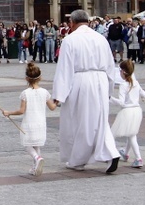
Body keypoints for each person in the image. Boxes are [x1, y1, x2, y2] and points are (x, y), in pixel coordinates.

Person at [52, 10, 121, 173]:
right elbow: (111, 66)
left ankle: (78, 160)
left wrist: (59, 95)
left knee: (80, 121)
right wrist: (109, 88)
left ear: (72, 23)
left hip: (80, 81)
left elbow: (64, 68)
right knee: (100, 120)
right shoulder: (100, 38)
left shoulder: (70, 40)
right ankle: (111, 152)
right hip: (101, 80)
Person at [2, 62, 57, 176]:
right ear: (40, 77)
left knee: (28, 145)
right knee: (36, 145)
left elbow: (22, 110)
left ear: (26, 78)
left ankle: (37, 158)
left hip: (29, 123)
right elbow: (52, 107)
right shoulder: (45, 92)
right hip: (41, 123)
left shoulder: (25, 93)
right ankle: (35, 167)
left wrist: (9, 113)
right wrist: (57, 101)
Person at [111, 60, 145, 168]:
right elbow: (144, 94)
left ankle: (138, 158)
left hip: (127, 111)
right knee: (131, 133)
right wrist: (140, 96)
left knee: (127, 135)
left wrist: (110, 98)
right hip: (137, 111)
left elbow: (121, 102)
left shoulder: (123, 85)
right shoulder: (136, 83)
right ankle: (125, 154)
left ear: (122, 72)